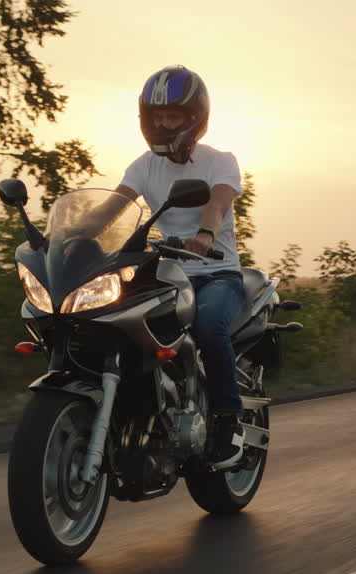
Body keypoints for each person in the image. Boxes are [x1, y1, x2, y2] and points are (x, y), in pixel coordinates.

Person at [109, 65, 247, 469]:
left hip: (216, 274)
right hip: (167, 275)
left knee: (208, 327)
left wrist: (204, 235)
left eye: (172, 116)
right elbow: (112, 209)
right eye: (158, 116)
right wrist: (70, 238)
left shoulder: (221, 162)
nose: (164, 123)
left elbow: (218, 203)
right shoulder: (142, 167)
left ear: (193, 119)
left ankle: (228, 421)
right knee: (118, 322)